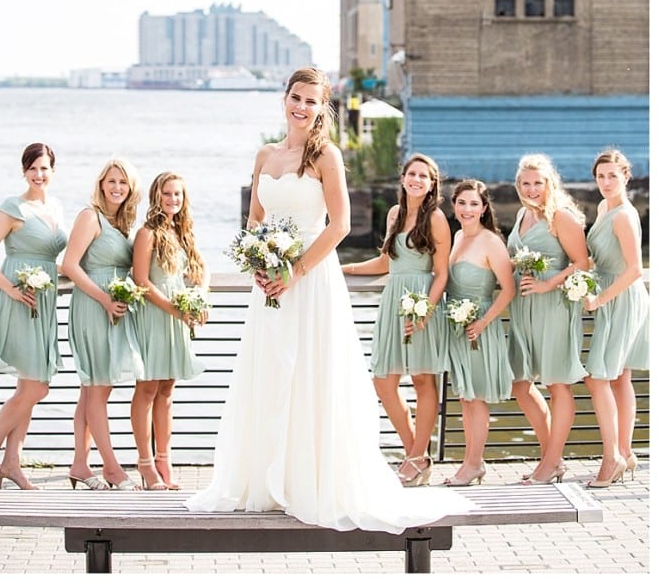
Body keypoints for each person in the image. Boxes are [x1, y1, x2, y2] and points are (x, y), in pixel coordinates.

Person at [185, 67, 472, 529]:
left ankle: (310, 481)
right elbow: (255, 218)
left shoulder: (326, 156)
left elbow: (339, 225)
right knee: (271, 372)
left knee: (310, 373)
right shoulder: (265, 155)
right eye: (296, 97)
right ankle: (266, 480)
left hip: (311, 280)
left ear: (322, 108)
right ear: (284, 99)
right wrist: (260, 261)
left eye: (311, 101)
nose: (301, 107)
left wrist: (295, 270)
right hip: (270, 285)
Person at [341, 153, 450, 486]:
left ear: (431, 184)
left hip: (421, 302)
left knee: (422, 380)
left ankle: (415, 458)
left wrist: (425, 310)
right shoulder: (394, 214)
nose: (416, 180)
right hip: (393, 303)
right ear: (403, 178)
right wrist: (341, 268)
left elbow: (442, 273)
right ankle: (416, 454)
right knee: (384, 381)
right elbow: (385, 263)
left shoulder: (436, 218)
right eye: (412, 174)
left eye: (423, 176)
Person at [0, 143, 66, 490]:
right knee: (37, 387)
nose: (38, 175)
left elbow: (55, 259)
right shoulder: (12, 208)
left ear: (53, 170)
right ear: (24, 171)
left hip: (44, 302)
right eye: (32, 168)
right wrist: (12, 290)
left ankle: (11, 463)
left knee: (29, 386)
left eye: (44, 168)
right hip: (20, 300)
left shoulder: (56, 206)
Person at [61, 157, 143, 490]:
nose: (117, 187)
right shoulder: (89, 216)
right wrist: (104, 299)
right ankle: (111, 468)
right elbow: (70, 265)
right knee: (98, 387)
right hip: (93, 307)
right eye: (112, 181)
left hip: (113, 309)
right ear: (101, 184)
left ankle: (80, 465)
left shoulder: (122, 223)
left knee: (91, 390)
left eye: (123, 182)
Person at [507, 154, 589, 485]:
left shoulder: (561, 216)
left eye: (538, 183)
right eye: (526, 183)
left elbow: (582, 262)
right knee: (520, 384)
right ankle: (550, 458)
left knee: (557, 384)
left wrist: (547, 284)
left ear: (549, 183)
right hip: (523, 307)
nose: (532, 189)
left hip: (553, 306)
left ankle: (551, 462)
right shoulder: (522, 214)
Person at [130, 172, 209, 491]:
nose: (173, 199)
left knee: (167, 390)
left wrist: (200, 297)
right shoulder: (147, 233)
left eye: (178, 194)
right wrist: (176, 310)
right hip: (155, 314)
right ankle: (145, 463)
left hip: (178, 317)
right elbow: (141, 280)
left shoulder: (183, 232)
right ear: (156, 196)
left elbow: (202, 271)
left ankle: (165, 460)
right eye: (167, 193)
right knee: (148, 388)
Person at [583, 149, 649, 487]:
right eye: (601, 176)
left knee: (598, 378)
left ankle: (612, 459)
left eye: (612, 175)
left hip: (621, 298)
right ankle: (626, 450)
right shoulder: (603, 208)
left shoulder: (623, 215)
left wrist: (598, 300)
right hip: (612, 293)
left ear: (626, 176)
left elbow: (635, 269)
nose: (606, 182)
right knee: (620, 376)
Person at [443, 179, 515, 486]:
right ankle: (472, 462)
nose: (467, 209)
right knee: (465, 397)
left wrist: (482, 323)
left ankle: (473, 464)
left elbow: (508, 290)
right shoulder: (457, 236)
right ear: (454, 206)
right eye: (462, 203)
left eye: (474, 204)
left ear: (484, 208)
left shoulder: (491, 241)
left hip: (479, 327)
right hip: (456, 327)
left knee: (476, 399)